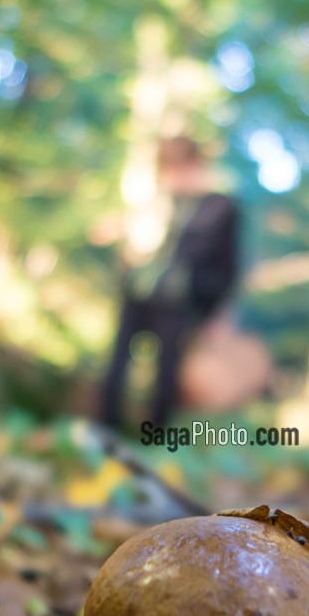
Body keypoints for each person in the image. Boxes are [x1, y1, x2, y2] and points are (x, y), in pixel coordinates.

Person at [99, 136, 241, 430]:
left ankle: (156, 436)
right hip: (138, 292)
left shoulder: (218, 206)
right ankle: (105, 429)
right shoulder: (157, 200)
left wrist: (216, 313)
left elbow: (227, 265)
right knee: (117, 365)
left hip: (178, 300)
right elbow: (138, 242)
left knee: (166, 374)